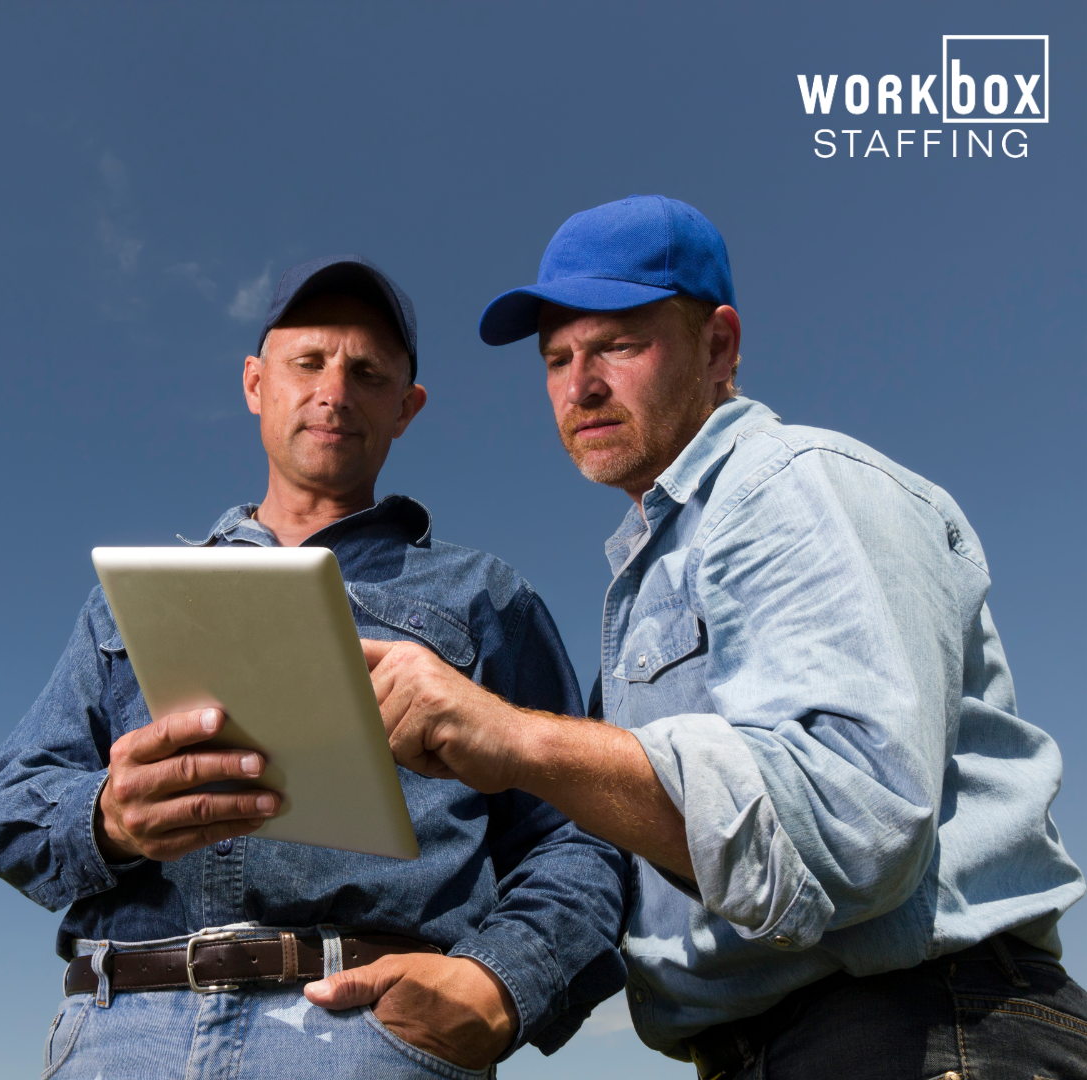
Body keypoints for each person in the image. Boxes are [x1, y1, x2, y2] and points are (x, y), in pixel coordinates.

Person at [339, 196, 1087, 1077]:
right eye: (557, 358)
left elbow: (853, 825)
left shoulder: (791, 487)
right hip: (775, 1048)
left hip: (916, 1030)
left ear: (719, 347)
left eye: (618, 344)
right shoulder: (655, 566)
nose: (580, 385)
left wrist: (516, 739)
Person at [0, 254, 627, 1079]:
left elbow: (580, 835)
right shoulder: (126, 604)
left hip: (366, 1032)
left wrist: (498, 984)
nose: (334, 391)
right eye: (309, 362)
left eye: (367, 372)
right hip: (121, 1032)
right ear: (256, 382)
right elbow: (13, 808)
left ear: (407, 408)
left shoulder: (485, 598)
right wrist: (108, 816)